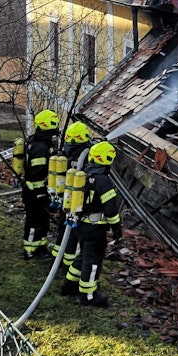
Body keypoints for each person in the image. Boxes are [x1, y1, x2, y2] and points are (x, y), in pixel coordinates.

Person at [59, 140, 123, 306]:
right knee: (93, 261)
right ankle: (88, 296)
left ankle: (69, 285)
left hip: (80, 225)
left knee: (83, 256)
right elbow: (111, 210)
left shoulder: (83, 174)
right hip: (95, 228)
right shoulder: (104, 181)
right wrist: (117, 229)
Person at [50, 120, 92, 267]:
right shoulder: (87, 152)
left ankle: (56, 258)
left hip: (64, 198)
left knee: (62, 227)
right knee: (75, 233)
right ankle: (70, 262)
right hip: (79, 201)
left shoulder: (66, 150)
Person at [21, 108, 59, 260]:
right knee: (33, 221)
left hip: (38, 191)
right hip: (35, 193)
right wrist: (41, 194)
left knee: (43, 221)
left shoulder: (36, 141)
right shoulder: (41, 148)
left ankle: (40, 247)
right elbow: (36, 174)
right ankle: (29, 250)